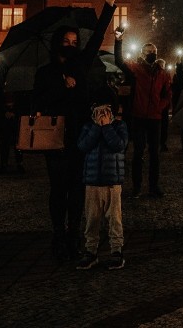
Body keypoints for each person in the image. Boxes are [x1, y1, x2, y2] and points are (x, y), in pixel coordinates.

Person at [33, 0, 117, 260]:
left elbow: (96, 38)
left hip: (80, 136)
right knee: (58, 189)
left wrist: (108, 6)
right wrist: (62, 87)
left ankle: (73, 234)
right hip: (56, 137)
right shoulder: (45, 73)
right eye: (66, 41)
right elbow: (38, 102)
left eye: (73, 41)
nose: (70, 45)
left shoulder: (80, 64)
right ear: (58, 42)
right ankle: (58, 232)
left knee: (78, 189)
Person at [76, 86, 129, 270]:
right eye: (98, 109)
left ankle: (116, 251)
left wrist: (106, 127)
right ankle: (90, 252)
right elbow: (83, 146)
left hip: (112, 181)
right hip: (92, 181)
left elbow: (119, 145)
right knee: (92, 219)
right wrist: (97, 129)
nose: (102, 113)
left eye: (106, 109)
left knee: (114, 218)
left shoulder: (119, 126)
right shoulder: (88, 126)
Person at [114, 33, 172, 198]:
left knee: (155, 154)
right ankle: (137, 187)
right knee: (138, 153)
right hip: (138, 117)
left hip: (155, 119)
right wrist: (119, 40)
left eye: (153, 50)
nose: (151, 53)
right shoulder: (135, 69)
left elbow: (168, 94)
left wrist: (159, 107)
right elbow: (119, 61)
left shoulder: (162, 73)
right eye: (147, 51)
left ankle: (154, 186)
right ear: (142, 54)